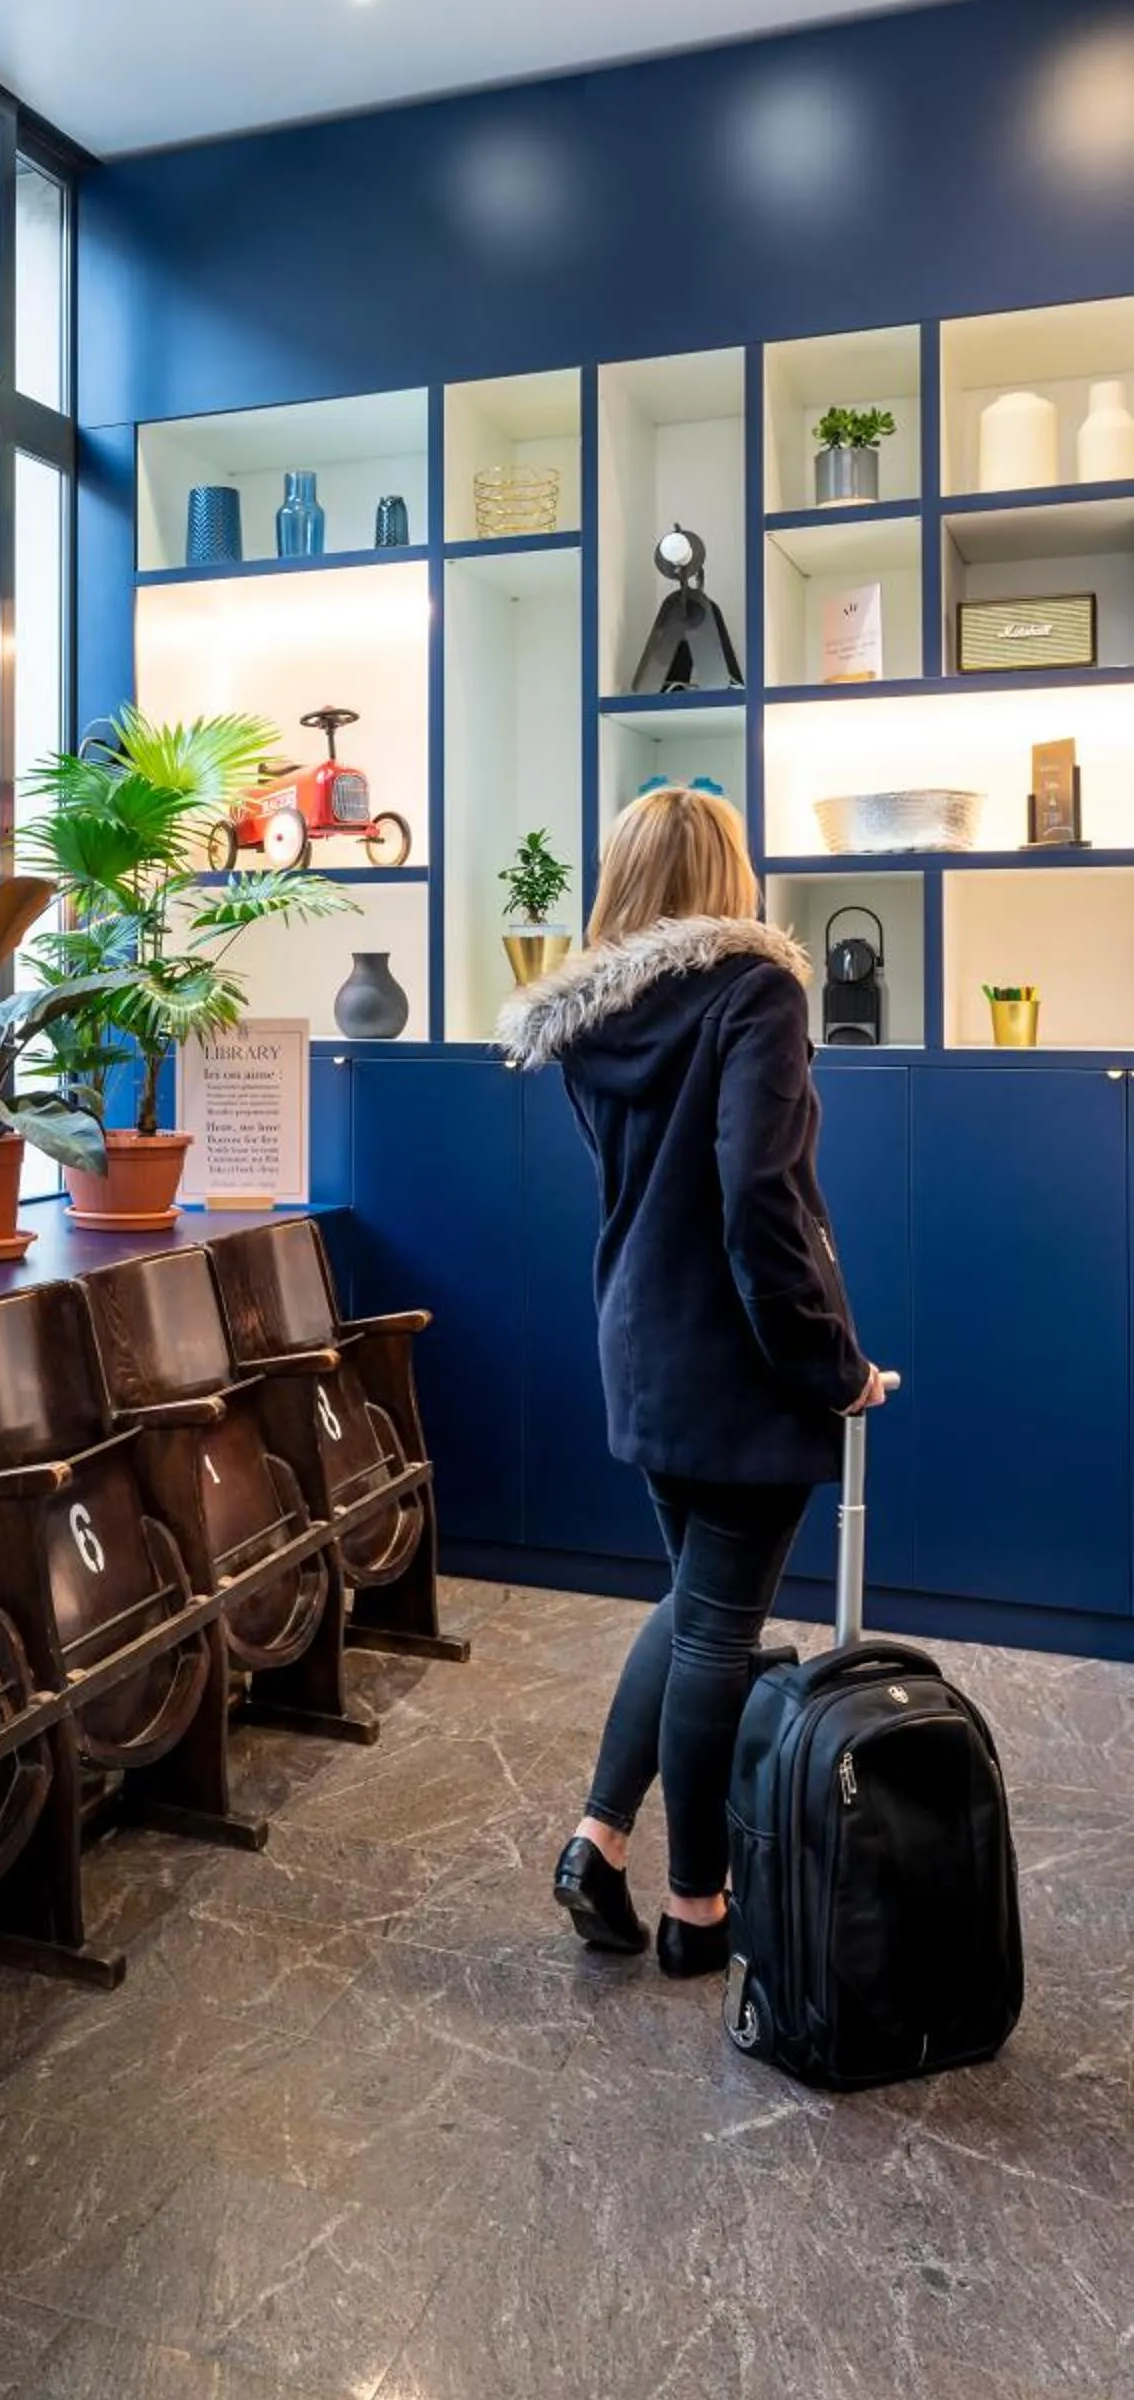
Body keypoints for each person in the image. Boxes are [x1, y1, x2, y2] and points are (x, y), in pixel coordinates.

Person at [499, 788, 884, 1980]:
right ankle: (695, 1907)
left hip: (638, 1342)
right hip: (737, 1358)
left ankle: (595, 1841)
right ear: (729, 873)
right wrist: (835, 1369)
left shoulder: (589, 1020)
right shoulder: (756, 988)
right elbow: (758, 1203)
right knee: (718, 1623)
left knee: (692, 1601)